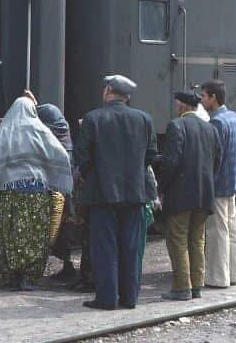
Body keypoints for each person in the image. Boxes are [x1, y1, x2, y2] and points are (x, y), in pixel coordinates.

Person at [76, 75, 158, 310]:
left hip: (102, 194)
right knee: (131, 248)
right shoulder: (144, 119)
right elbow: (151, 155)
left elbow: (82, 157)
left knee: (105, 247)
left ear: (107, 91)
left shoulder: (93, 118)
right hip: (135, 193)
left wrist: (93, 176)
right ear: (127, 96)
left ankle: (107, 298)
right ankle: (130, 297)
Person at [0, 92, 73, 291]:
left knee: (10, 234)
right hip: (36, 193)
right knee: (35, 235)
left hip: (8, 194)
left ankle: (11, 278)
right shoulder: (40, 130)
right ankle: (29, 278)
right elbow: (62, 155)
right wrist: (55, 177)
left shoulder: (5, 132)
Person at [159, 90, 222, 301]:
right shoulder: (210, 128)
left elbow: (171, 161)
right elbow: (217, 161)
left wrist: (161, 187)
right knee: (197, 240)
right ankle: (197, 286)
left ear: (181, 105)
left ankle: (181, 288)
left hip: (181, 195)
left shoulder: (176, 126)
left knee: (178, 240)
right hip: (204, 195)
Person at [201, 80, 236, 288]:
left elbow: (213, 158)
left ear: (213, 98)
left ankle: (218, 278)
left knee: (217, 232)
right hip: (232, 182)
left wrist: (208, 184)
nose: (202, 100)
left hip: (218, 185)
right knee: (231, 229)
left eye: (204, 96)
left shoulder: (216, 123)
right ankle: (234, 274)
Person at [36, 103, 76, 280]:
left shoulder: (52, 139)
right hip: (67, 191)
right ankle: (67, 265)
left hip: (56, 192)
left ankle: (40, 268)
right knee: (64, 229)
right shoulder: (64, 134)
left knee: (51, 230)